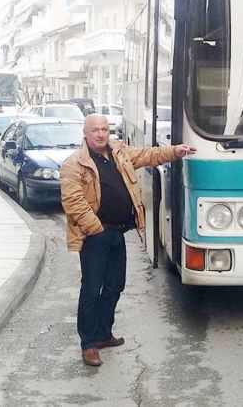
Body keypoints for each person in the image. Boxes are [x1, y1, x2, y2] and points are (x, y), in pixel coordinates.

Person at [60, 114, 196, 367]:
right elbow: (73, 201)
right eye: (95, 130)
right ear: (85, 134)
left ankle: (103, 334)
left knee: (115, 286)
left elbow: (147, 155)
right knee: (91, 289)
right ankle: (88, 344)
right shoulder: (74, 164)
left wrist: (175, 151)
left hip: (118, 233)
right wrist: (96, 228)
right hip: (95, 237)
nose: (101, 134)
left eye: (104, 129)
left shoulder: (119, 152)